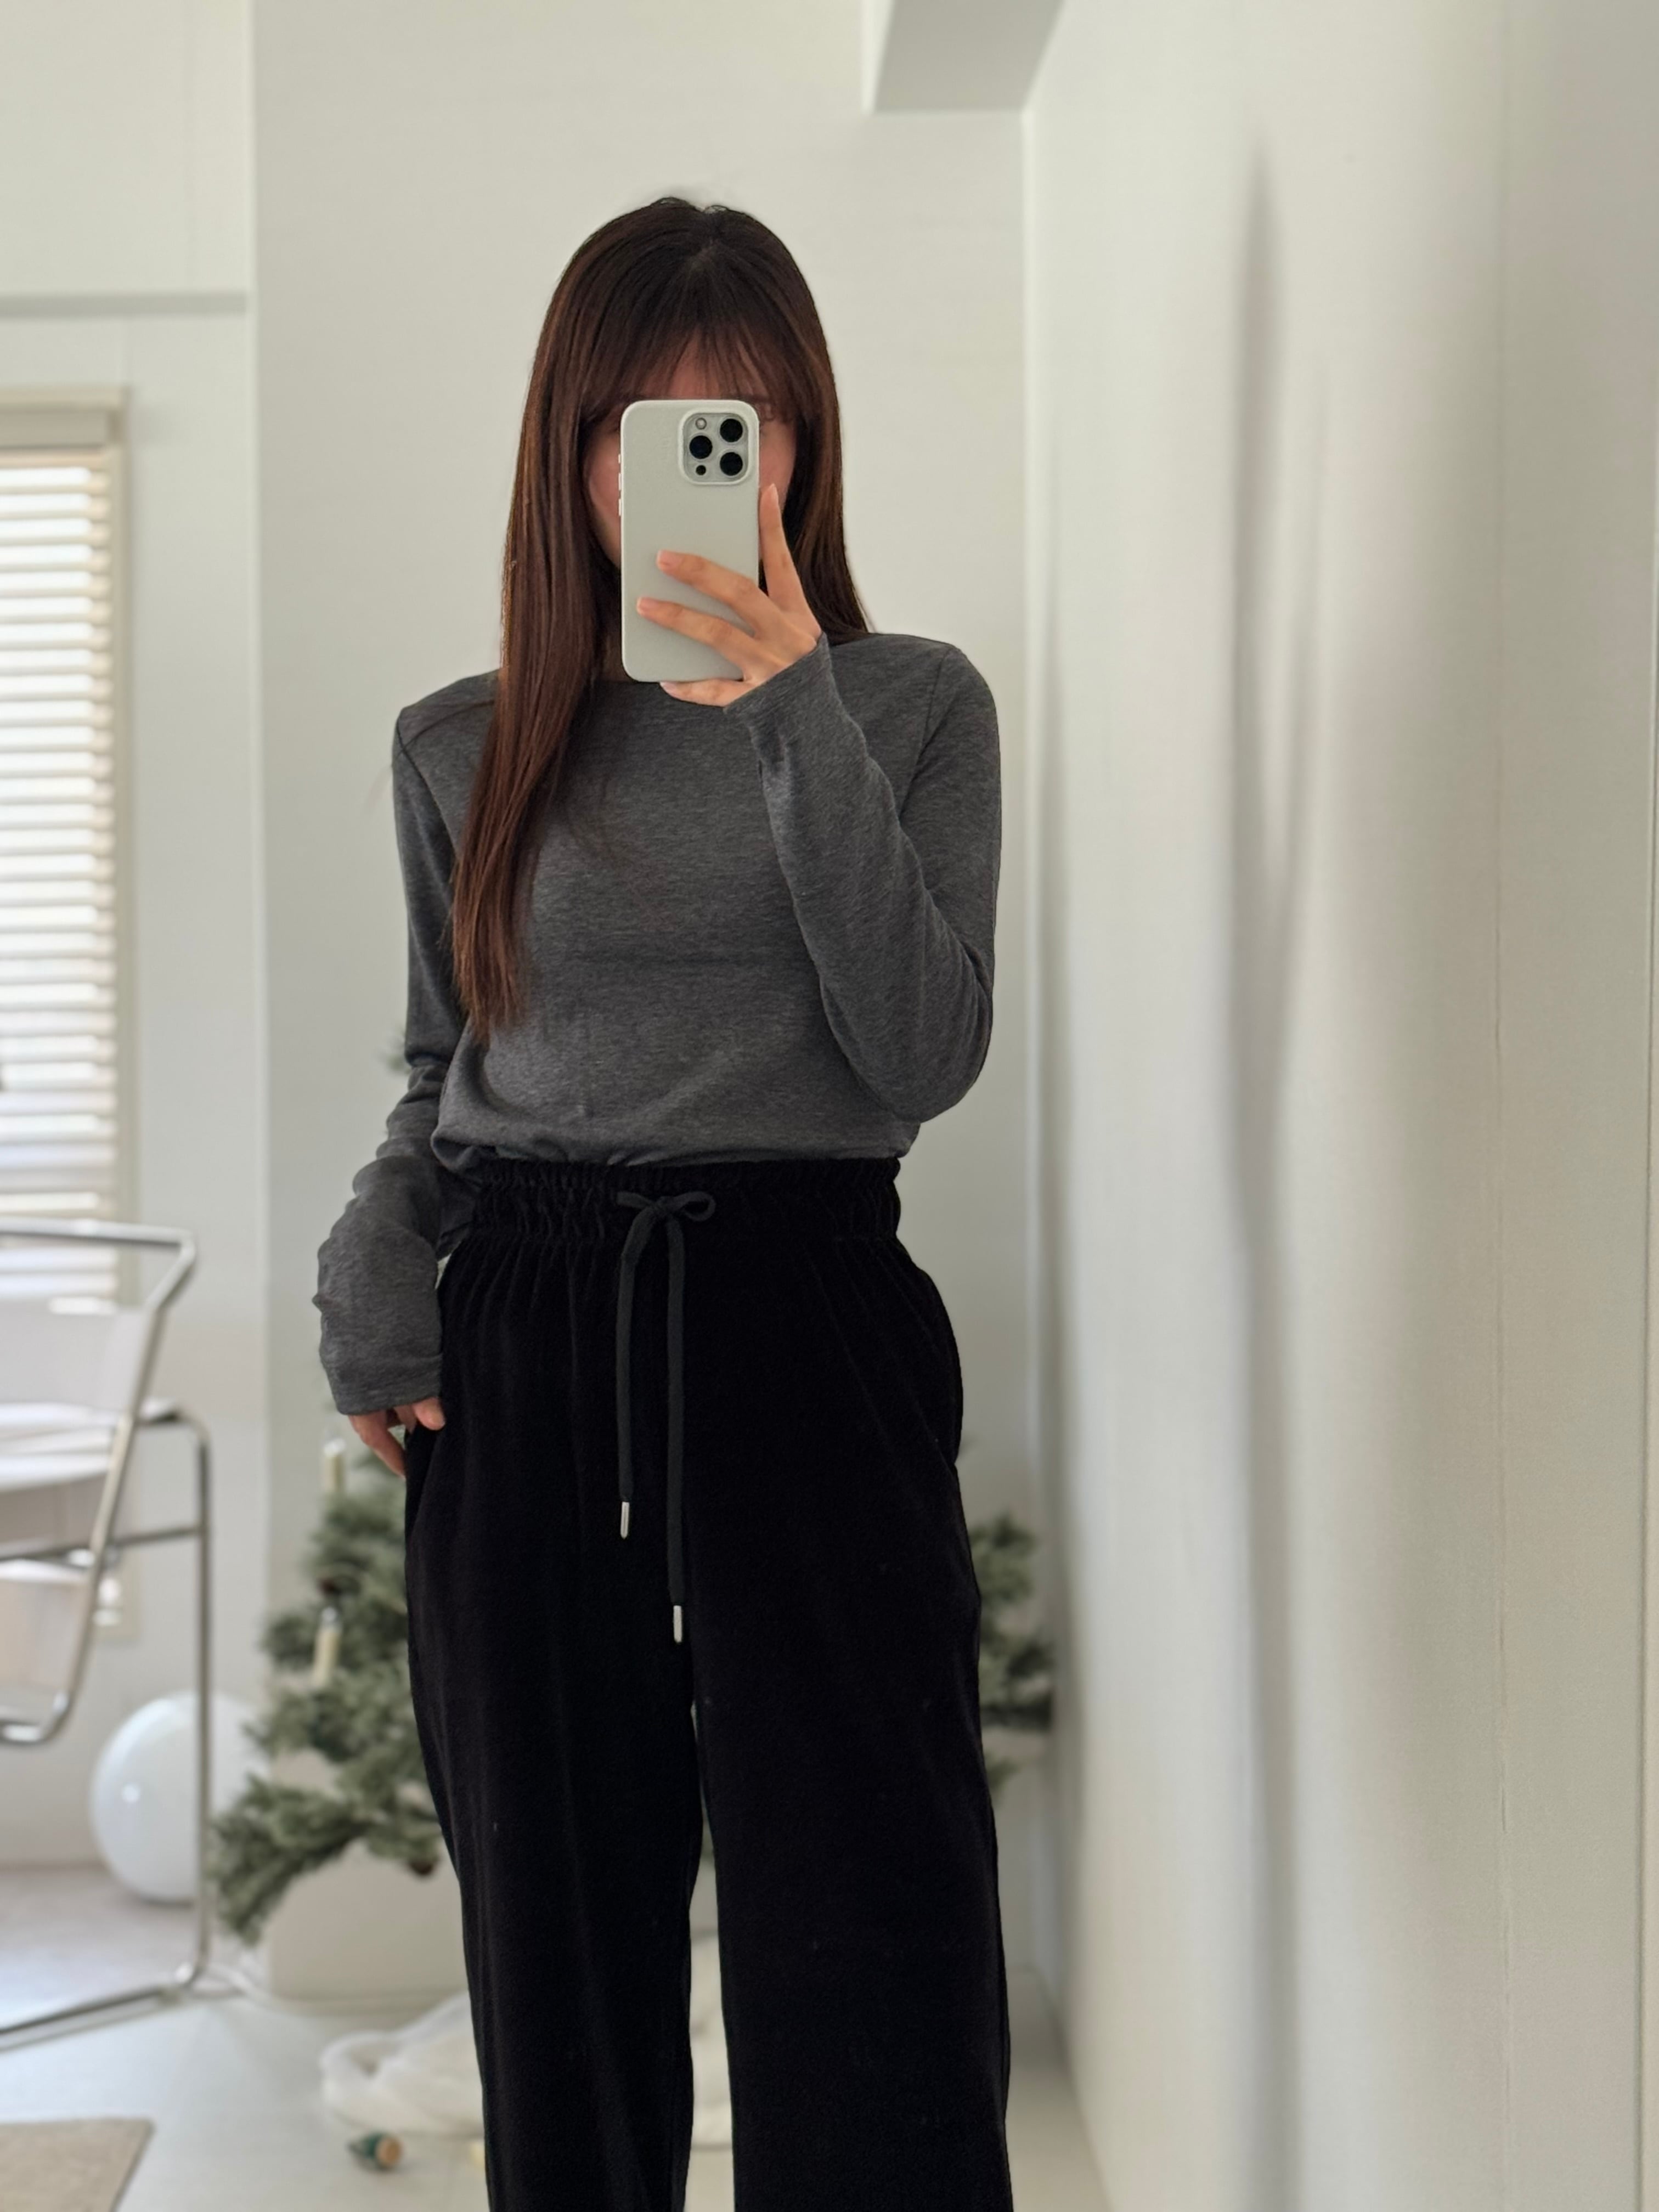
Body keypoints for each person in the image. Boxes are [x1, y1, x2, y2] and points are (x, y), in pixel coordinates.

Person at [313, 195, 1013, 2212]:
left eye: (746, 425)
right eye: (646, 428)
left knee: (875, 1926)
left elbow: (921, 1055)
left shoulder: (913, 710)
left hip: (808, 1322)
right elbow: (443, 1075)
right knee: (559, 1949)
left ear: (803, 447)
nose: (701, 470)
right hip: (528, 1341)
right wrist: (373, 1261)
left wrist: (792, 714)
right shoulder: (462, 746)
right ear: (572, 454)